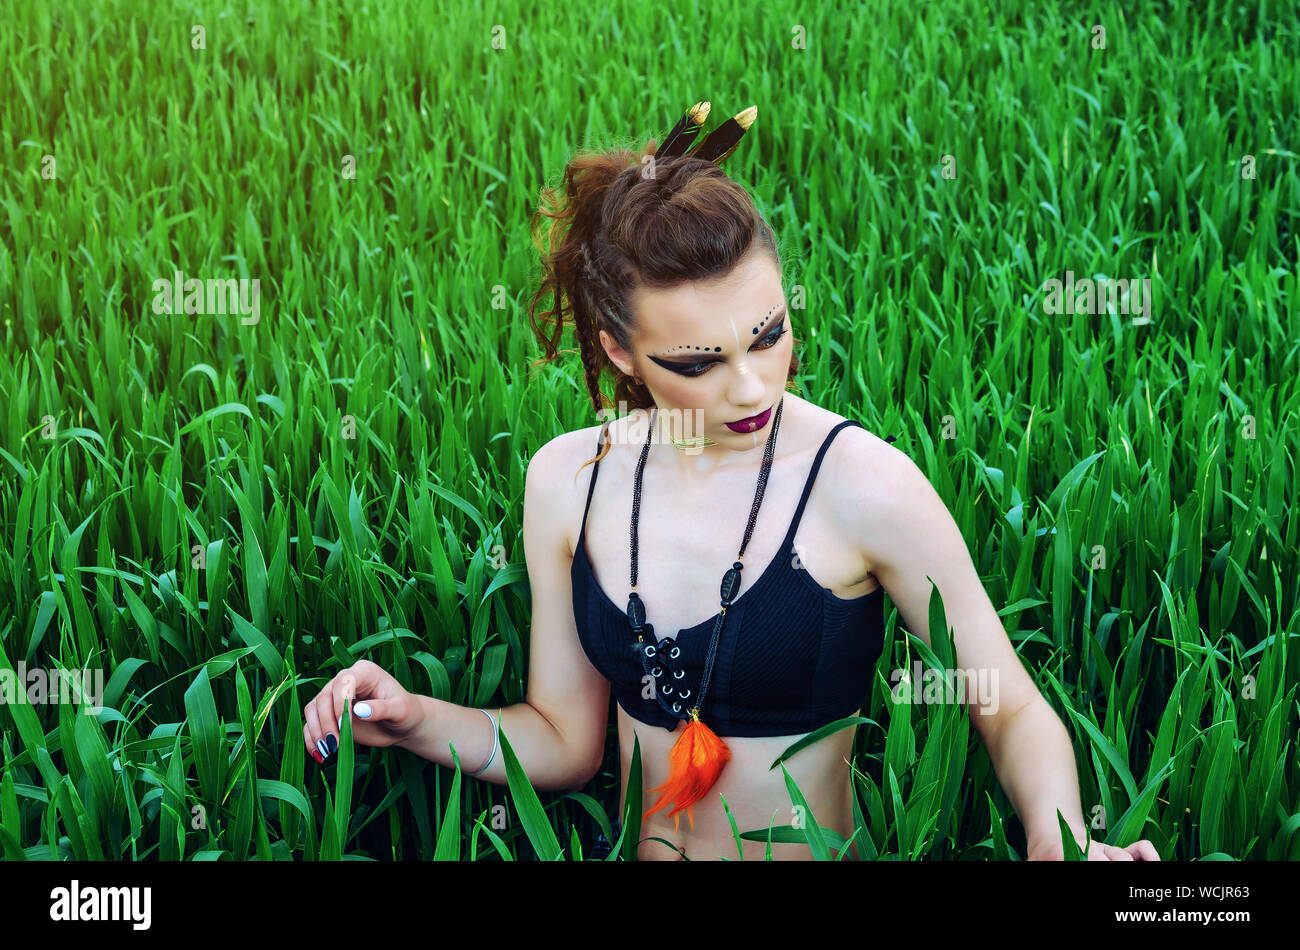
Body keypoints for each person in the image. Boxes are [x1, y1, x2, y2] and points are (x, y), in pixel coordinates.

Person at [301, 102, 1160, 862]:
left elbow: (1005, 704)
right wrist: (414, 717)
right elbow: (563, 743)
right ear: (618, 352)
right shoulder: (569, 481)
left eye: (768, 333)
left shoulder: (861, 485)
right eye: (698, 361)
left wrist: (1065, 841)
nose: (751, 386)